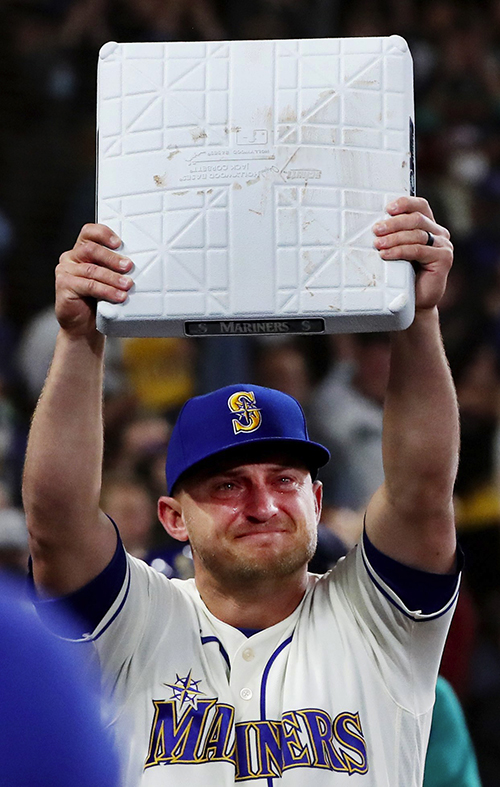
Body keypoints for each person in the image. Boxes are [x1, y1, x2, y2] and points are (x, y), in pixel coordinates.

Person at [23, 196, 459, 786]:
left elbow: (421, 492)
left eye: (285, 480)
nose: (263, 505)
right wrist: (80, 339)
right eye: (228, 484)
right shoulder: (138, 622)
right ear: (173, 519)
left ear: (319, 503)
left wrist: (418, 318)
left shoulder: (377, 620)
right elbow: (56, 522)